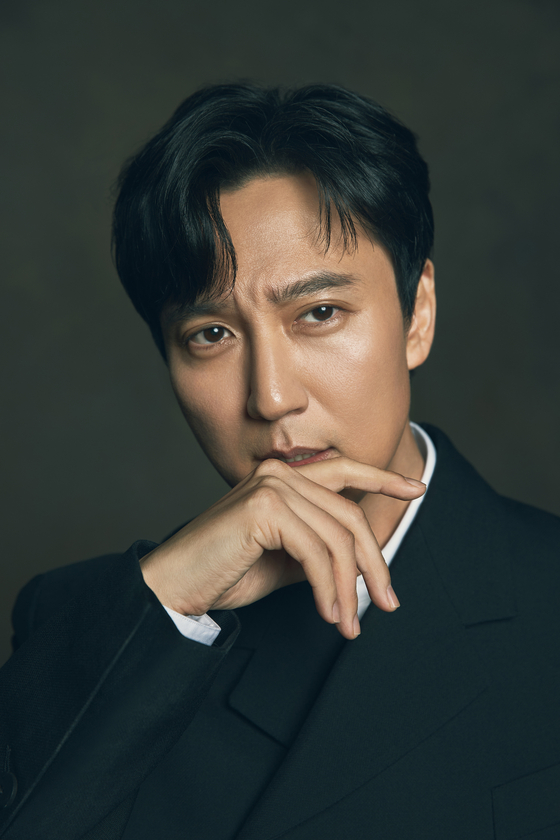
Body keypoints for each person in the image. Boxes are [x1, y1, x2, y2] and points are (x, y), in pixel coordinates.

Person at [1, 82, 559, 840]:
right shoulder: (94, 625)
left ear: (417, 315)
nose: (270, 396)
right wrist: (169, 599)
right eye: (210, 335)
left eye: (319, 313)